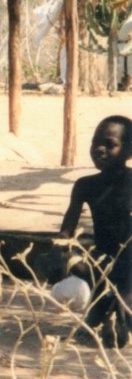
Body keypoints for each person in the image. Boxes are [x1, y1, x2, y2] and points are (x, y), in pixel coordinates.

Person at [57, 115, 132, 349]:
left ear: (129, 150)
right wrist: (61, 253)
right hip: (102, 259)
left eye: (109, 144)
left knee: (125, 301)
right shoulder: (85, 185)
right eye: (95, 143)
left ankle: (111, 313)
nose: (99, 149)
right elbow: (66, 231)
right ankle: (102, 313)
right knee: (81, 266)